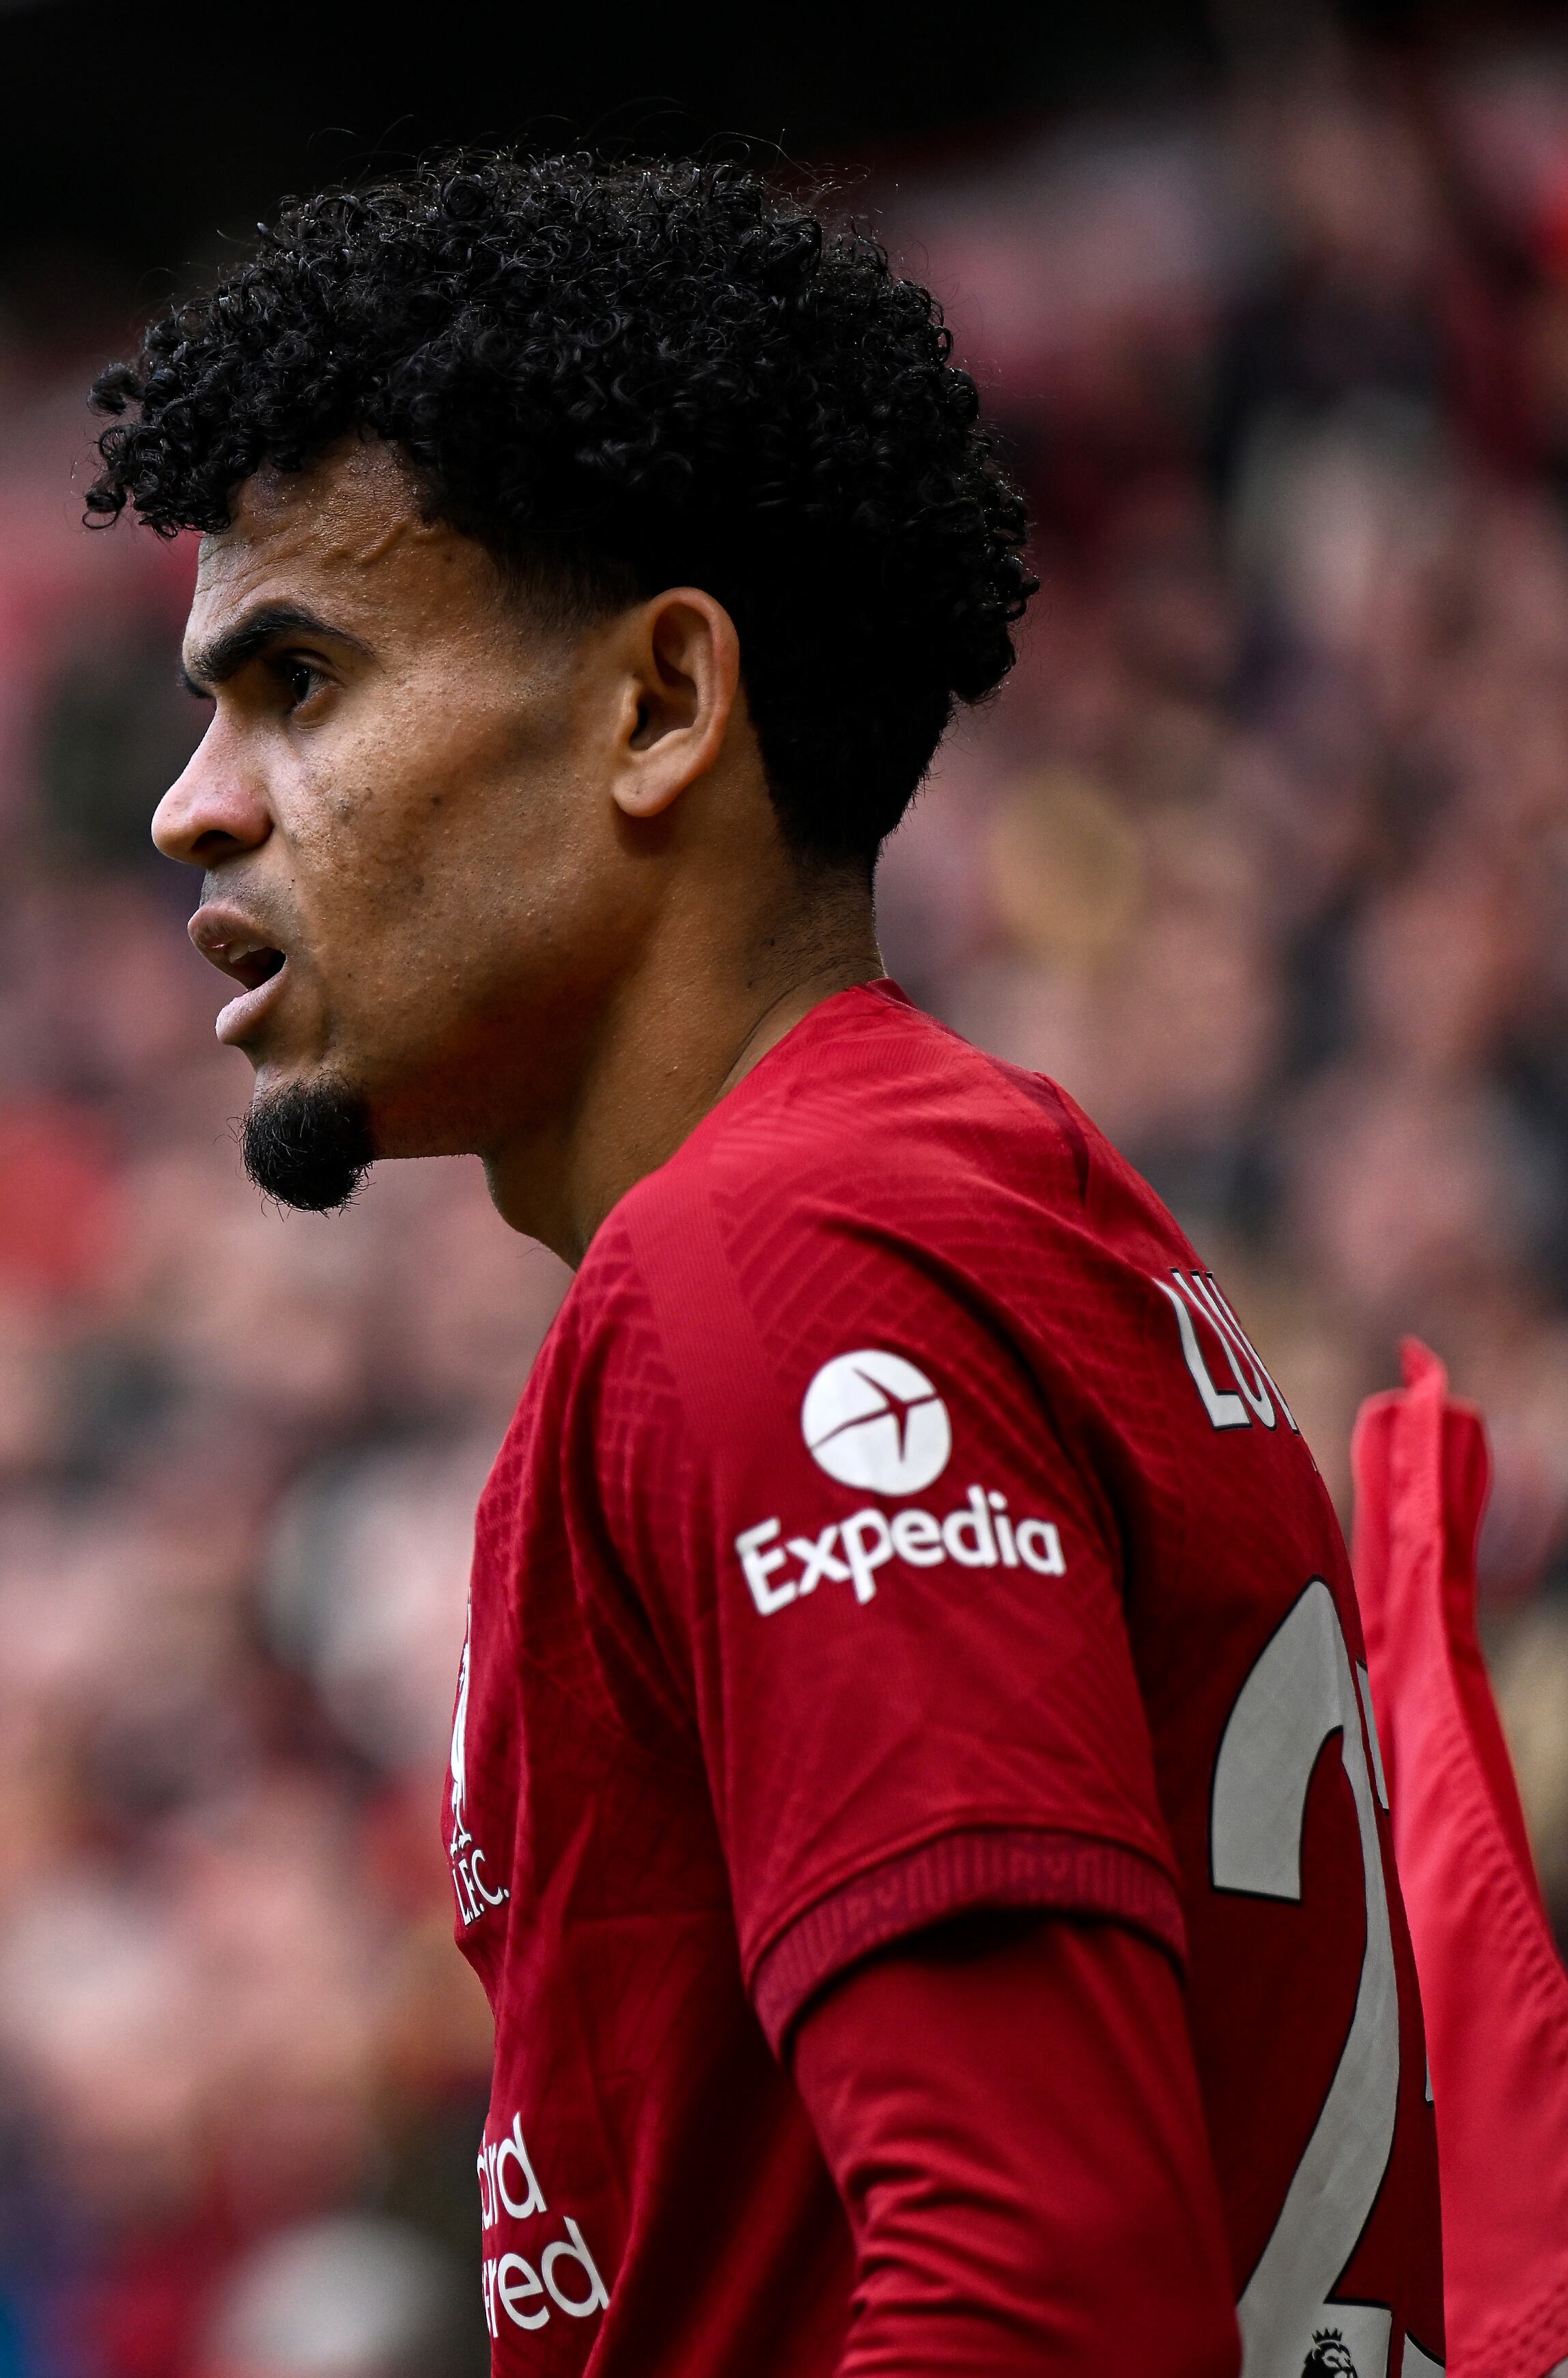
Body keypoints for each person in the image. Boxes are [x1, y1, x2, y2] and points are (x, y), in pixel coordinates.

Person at [94, 156, 1440, 2378]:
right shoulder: (966, 1198)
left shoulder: (781, 1265)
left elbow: (1048, 2310)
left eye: (301, 680)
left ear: (661, 705)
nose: (195, 804)